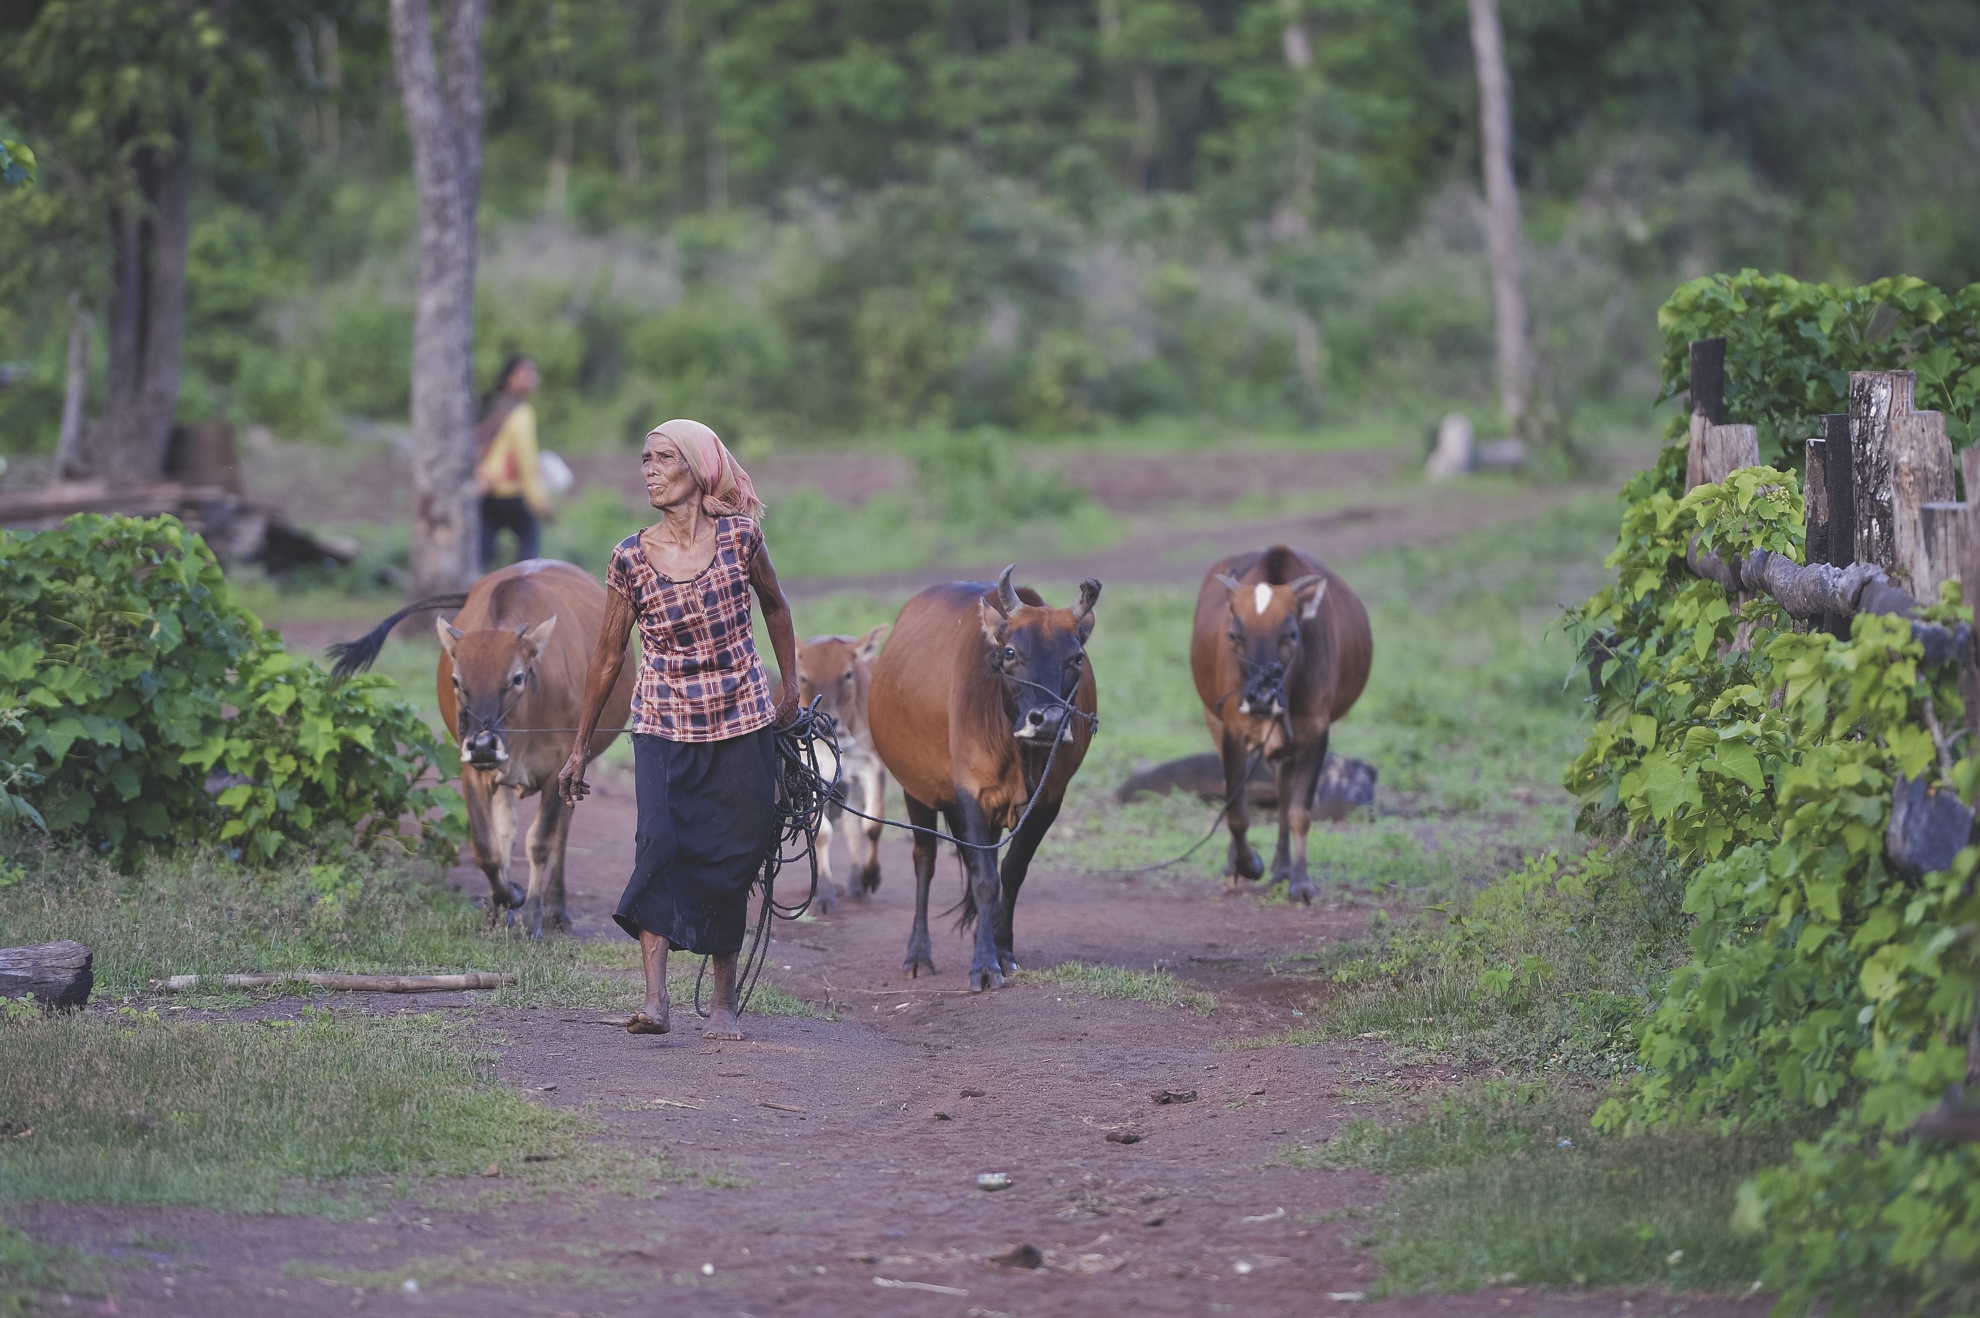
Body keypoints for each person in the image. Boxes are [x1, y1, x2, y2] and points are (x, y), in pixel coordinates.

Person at [558, 419, 801, 1041]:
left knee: (731, 855)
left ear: (697, 471)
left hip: (743, 719)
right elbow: (609, 656)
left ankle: (722, 1003)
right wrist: (579, 748)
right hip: (664, 722)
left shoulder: (742, 539)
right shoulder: (629, 558)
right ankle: (656, 1000)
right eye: (645, 458)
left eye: (663, 458)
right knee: (659, 846)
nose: (648, 470)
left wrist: (790, 686)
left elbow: (775, 607)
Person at [475, 356, 552, 569]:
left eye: (533, 373)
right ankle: (524, 594)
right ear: (510, 378)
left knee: (481, 555)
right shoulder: (521, 412)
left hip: (485, 489)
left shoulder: (493, 405)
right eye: (525, 373)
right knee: (529, 549)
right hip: (510, 492)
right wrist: (538, 501)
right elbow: (525, 459)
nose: (532, 378)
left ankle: (474, 594)